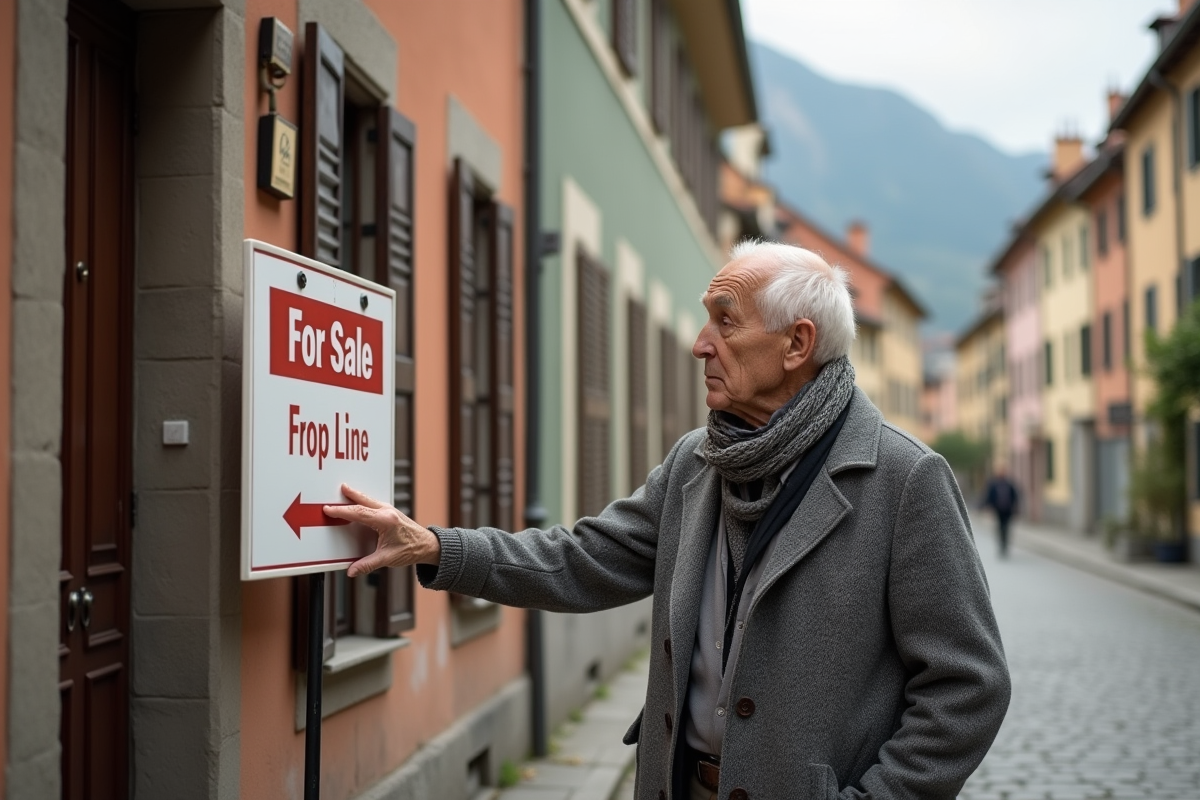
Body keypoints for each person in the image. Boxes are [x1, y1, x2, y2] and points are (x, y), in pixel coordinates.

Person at [327, 241, 1011, 800]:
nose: (699, 344)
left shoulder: (902, 479)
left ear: (796, 344)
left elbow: (967, 686)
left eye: (725, 321)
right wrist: (434, 546)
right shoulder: (698, 463)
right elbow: (581, 560)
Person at [982, 467, 1020, 557]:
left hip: (1008, 510)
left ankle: (1005, 544)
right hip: (998, 510)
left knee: (1006, 528)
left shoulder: (1009, 485)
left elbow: (1015, 496)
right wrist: (988, 506)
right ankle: (1001, 544)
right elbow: (990, 496)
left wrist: (1016, 508)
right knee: (1000, 528)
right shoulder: (994, 485)